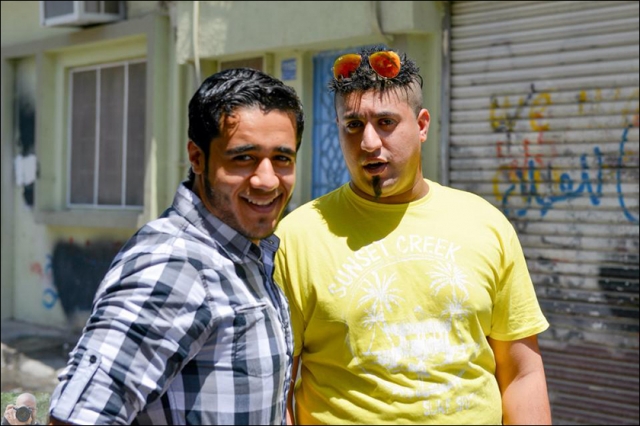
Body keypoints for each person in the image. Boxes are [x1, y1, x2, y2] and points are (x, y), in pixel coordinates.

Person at [273, 45, 551, 424]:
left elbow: (522, 374)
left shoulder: (486, 224)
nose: (369, 142)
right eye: (353, 125)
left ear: (421, 126)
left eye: (386, 122)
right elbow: (277, 389)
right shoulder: (296, 237)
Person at [48, 67, 304, 425]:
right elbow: (77, 418)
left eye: (282, 159)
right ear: (197, 158)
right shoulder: (175, 264)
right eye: (243, 158)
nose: (267, 180)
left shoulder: (248, 252)